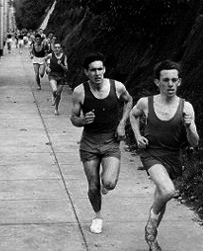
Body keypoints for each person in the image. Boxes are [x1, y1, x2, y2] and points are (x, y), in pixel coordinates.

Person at [129, 60, 199, 251]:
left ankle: (152, 240)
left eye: (174, 80)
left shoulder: (186, 107)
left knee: (161, 195)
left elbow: (195, 143)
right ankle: (150, 227)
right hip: (152, 153)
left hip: (173, 156)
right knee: (168, 191)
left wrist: (189, 126)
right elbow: (133, 115)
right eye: (166, 80)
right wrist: (137, 136)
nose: (170, 84)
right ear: (157, 82)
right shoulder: (146, 103)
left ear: (180, 82)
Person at [70, 52, 132, 234]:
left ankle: (106, 185)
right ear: (86, 72)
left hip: (111, 141)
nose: (97, 73)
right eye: (93, 70)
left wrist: (122, 124)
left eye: (100, 69)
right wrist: (82, 121)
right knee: (93, 185)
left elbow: (129, 101)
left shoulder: (117, 87)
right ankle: (97, 216)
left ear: (104, 70)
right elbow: (73, 118)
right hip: (89, 143)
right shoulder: (79, 92)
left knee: (109, 183)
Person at [45, 41, 68, 115]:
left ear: (60, 48)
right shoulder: (51, 55)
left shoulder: (64, 56)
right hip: (52, 75)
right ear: (54, 48)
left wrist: (61, 64)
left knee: (58, 94)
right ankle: (53, 94)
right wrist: (47, 67)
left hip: (61, 76)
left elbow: (66, 69)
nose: (57, 49)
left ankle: (56, 108)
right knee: (55, 90)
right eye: (56, 47)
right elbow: (45, 59)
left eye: (59, 47)